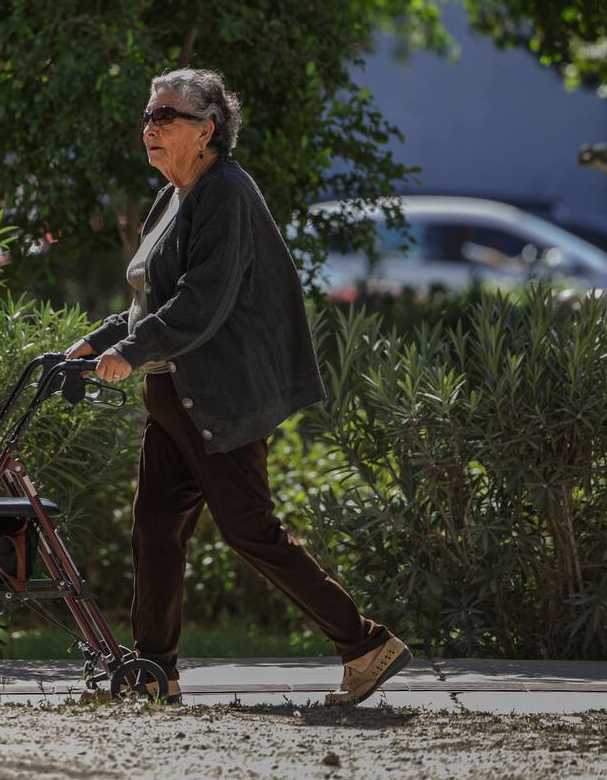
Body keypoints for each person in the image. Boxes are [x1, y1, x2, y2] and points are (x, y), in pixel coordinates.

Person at [67, 68, 409, 706]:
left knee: (250, 529)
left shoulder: (226, 192)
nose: (150, 128)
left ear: (208, 130)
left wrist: (130, 353)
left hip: (219, 402)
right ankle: (152, 672)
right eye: (147, 116)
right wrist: (95, 343)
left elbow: (203, 302)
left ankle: (364, 644)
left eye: (166, 116)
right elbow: (151, 302)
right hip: (175, 403)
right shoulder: (171, 199)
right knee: (155, 527)